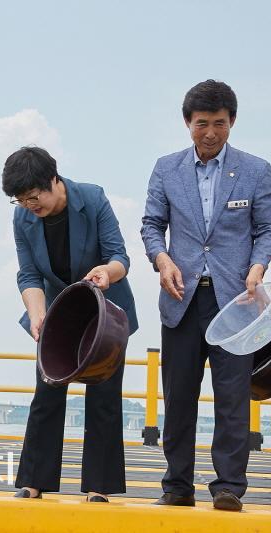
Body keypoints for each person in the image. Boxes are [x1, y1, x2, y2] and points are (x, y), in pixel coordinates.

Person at [141, 80, 271, 512]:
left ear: (232, 122)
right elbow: (151, 224)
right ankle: (177, 484)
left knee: (232, 398)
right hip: (180, 298)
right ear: (187, 123)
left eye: (219, 123)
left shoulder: (256, 170)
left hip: (236, 304)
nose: (210, 132)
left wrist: (257, 267)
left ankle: (229, 486)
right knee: (179, 397)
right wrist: (162, 260)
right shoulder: (166, 168)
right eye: (202, 124)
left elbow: (266, 230)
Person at [2, 146, 138, 503]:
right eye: (20, 201)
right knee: (47, 394)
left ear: (53, 180)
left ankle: (99, 486)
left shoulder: (92, 199)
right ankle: (34, 481)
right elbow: (28, 273)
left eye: (34, 197)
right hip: (58, 315)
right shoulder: (23, 219)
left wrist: (106, 273)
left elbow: (120, 256)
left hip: (105, 311)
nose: (30, 206)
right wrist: (36, 314)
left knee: (104, 397)